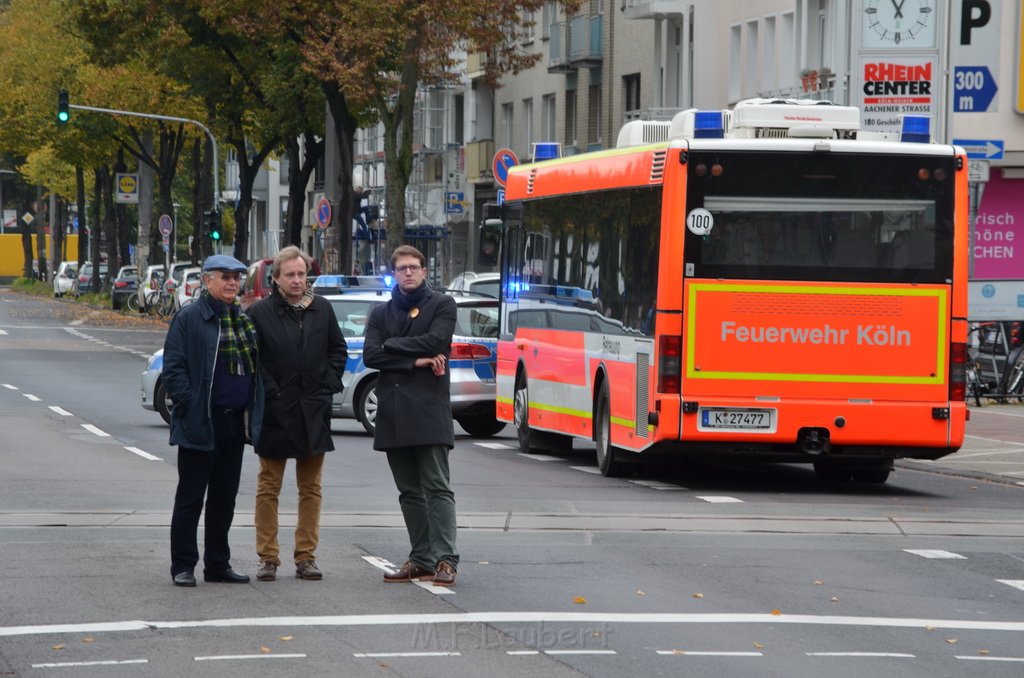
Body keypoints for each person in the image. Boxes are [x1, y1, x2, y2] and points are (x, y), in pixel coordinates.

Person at [248, 246, 347, 581]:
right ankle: (268, 558)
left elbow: (338, 349)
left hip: (313, 410)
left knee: (311, 488)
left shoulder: (322, 309)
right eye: (289, 274)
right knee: (269, 487)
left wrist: (328, 384)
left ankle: (306, 557)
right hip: (277, 411)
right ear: (275, 279)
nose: (296, 280)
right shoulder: (260, 313)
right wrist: (272, 391)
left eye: (301, 274)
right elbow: (254, 360)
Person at [164, 254, 264, 587]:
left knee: (224, 499)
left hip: (234, 425)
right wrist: (190, 406)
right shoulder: (190, 318)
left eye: (236, 278)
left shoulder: (242, 319)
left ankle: (217, 564)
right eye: (225, 277)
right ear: (207, 281)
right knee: (191, 498)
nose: (233, 283)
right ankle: (183, 565)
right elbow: (174, 369)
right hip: (200, 422)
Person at [364, 245, 460, 586]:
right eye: (402, 268)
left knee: (436, 486)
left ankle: (446, 559)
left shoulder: (442, 305)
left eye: (414, 267)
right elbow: (371, 355)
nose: (408, 272)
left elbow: (438, 340)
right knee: (408, 490)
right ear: (394, 273)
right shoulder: (381, 313)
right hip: (393, 411)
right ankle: (421, 557)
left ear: (424, 271)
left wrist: (392, 346)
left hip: (429, 409)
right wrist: (415, 361)